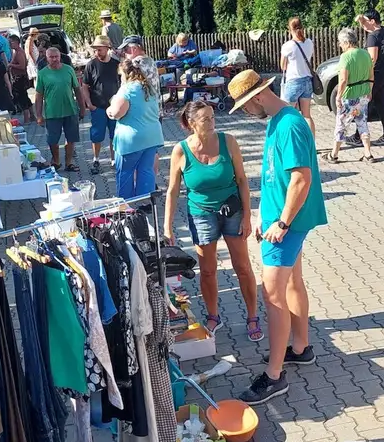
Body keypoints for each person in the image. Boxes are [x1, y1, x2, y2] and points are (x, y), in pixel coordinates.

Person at [225, 69, 328, 405]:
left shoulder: (290, 124)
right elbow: (275, 177)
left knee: (273, 295)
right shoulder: (277, 120)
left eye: (243, 106)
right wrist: (262, 214)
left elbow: (301, 179)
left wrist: (281, 223)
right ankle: (300, 347)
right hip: (279, 219)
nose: (244, 113)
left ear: (257, 96)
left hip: (287, 225)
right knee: (293, 282)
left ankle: (274, 375)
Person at [164, 100, 260, 339]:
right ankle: (213, 316)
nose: (212, 122)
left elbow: (242, 181)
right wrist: (167, 227)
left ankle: (252, 316)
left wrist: (248, 215)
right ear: (192, 123)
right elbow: (173, 190)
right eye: (206, 119)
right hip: (200, 214)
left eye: (212, 117)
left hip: (232, 210)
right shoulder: (180, 150)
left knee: (242, 267)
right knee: (207, 270)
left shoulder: (228, 142)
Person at [106, 57, 164, 199]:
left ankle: (125, 204)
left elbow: (117, 113)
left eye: (121, 75)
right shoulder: (149, 87)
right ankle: (145, 202)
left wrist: (109, 110)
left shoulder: (126, 89)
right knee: (146, 170)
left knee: (125, 172)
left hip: (131, 140)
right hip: (152, 136)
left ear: (126, 73)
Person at [32, 46, 86, 172]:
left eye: (57, 56)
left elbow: (77, 90)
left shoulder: (68, 70)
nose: (55, 59)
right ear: (46, 58)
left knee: (71, 139)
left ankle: (68, 163)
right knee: (53, 140)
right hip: (52, 112)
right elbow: (39, 95)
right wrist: (39, 115)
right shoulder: (43, 73)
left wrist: (82, 107)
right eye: (51, 57)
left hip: (70, 110)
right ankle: (56, 161)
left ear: (60, 57)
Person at [325, 28, 375, 164]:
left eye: (340, 42)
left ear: (347, 42)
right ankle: (368, 153)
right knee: (362, 123)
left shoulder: (346, 57)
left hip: (349, 95)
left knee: (341, 124)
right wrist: (369, 91)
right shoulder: (365, 54)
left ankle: (334, 154)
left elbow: (343, 80)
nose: (340, 45)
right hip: (363, 93)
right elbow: (371, 75)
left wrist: (338, 96)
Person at [81, 35, 122, 175]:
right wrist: (89, 104)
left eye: (100, 49)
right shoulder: (91, 65)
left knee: (114, 134)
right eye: (95, 50)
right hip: (97, 106)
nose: (97, 53)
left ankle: (114, 159)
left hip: (114, 106)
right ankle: (96, 159)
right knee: (96, 135)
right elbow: (84, 86)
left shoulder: (116, 64)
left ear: (107, 49)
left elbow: (123, 84)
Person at [360, 9, 384, 144]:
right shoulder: (383, 31)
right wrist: (362, 19)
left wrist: (367, 76)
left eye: (365, 22)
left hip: (375, 75)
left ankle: (358, 136)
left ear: (372, 21)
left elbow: (372, 59)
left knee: (364, 105)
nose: (362, 26)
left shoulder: (372, 37)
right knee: (380, 105)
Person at [279, 17, 317, 137]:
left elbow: (283, 66)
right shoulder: (309, 42)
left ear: (290, 29)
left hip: (294, 81)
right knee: (307, 115)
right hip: (307, 81)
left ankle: (293, 140)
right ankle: (312, 144)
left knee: (289, 114)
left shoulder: (288, 46)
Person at [7, 33, 31, 112]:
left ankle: (27, 118)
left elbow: (22, 66)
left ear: (16, 42)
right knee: (25, 98)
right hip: (17, 77)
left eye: (11, 42)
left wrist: (11, 65)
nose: (9, 44)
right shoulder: (15, 51)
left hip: (20, 78)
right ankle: (32, 116)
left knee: (22, 98)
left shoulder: (19, 52)